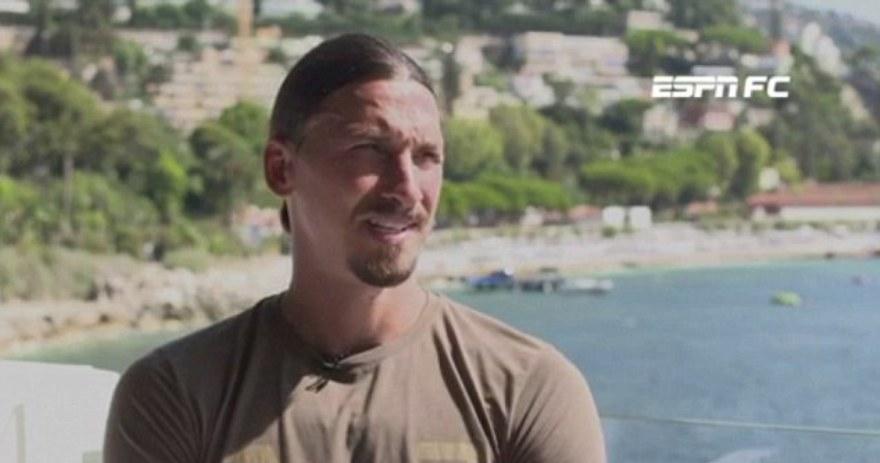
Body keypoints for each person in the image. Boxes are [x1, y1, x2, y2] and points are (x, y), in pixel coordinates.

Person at [104, 33, 606, 463]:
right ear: (281, 168)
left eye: (426, 156)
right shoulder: (176, 393)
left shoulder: (527, 389)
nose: (407, 189)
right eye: (369, 150)